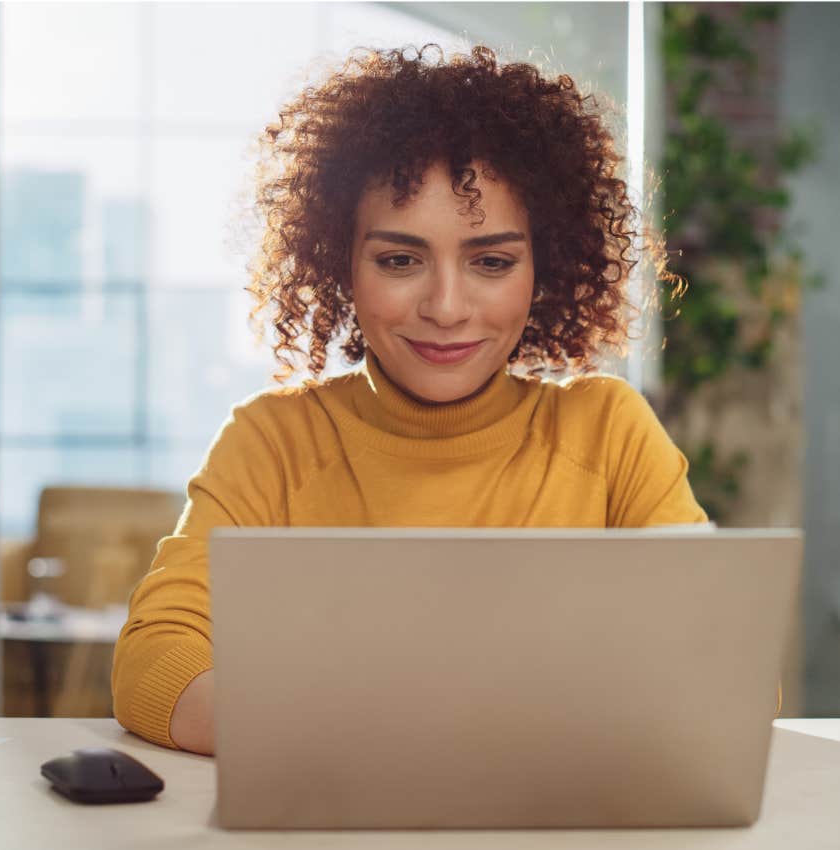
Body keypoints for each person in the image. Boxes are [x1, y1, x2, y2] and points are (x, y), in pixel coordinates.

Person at [111, 44, 708, 756]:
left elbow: (718, 674)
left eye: (492, 261)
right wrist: (388, 738)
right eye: (399, 260)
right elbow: (155, 661)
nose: (447, 307)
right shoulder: (273, 441)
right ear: (341, 264)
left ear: (544, 268)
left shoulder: (607, 433)